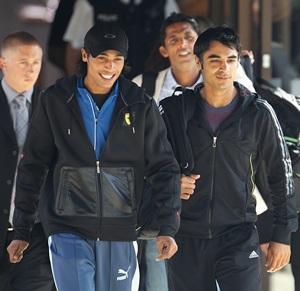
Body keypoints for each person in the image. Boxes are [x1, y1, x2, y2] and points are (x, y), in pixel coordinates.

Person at [7, 23, 180, 291]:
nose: (110, 67)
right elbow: (34, 165)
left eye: (117, 60)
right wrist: (22, 229)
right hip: (67, 227)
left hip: (121, 228)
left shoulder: (140, 103)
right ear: (85, 56)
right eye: (102, 58)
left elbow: (164, 167)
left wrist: (167, 226)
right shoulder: (56, 100)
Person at [159, 26, 298, 291]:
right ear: (199, 62)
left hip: (239, 234)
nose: (224, 67)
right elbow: (152, 165)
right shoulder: (174, 111)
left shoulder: (258, 113)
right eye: (215, 60)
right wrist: (172, 183)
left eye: (231, 60)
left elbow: (281, 174)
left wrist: (281, 234)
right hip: (185, 236)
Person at [132, 13, 256, 291]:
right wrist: (167, 182)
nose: (183, 44)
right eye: (174, 39)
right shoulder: (144, 86)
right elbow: (130, 149)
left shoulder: (233, 79)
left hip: (227, 213)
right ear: (164, 49)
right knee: (161, 283)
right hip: (167, 211)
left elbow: (249, 139)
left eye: (189, 36)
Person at [0, 31, 54, 291]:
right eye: (23, 62)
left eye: (36, 62)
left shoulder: (53, 108)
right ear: (3, 63)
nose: (31, 69)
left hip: (37, 233)